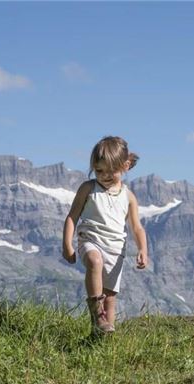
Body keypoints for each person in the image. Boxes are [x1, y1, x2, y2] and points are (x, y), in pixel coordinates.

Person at [62, 136, 148, 334]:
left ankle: (103, 339)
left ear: (125, 166)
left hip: (116, 250)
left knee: (110, 298)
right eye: (99, 171)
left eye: (112, 171)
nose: (105, 176)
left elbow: (137, 227)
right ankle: (95, 311)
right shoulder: (88, 189)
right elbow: (72, 216)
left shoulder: (128, 196)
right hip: (91, 240)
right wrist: (67, 244)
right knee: (94, 261)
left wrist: (143, 249)